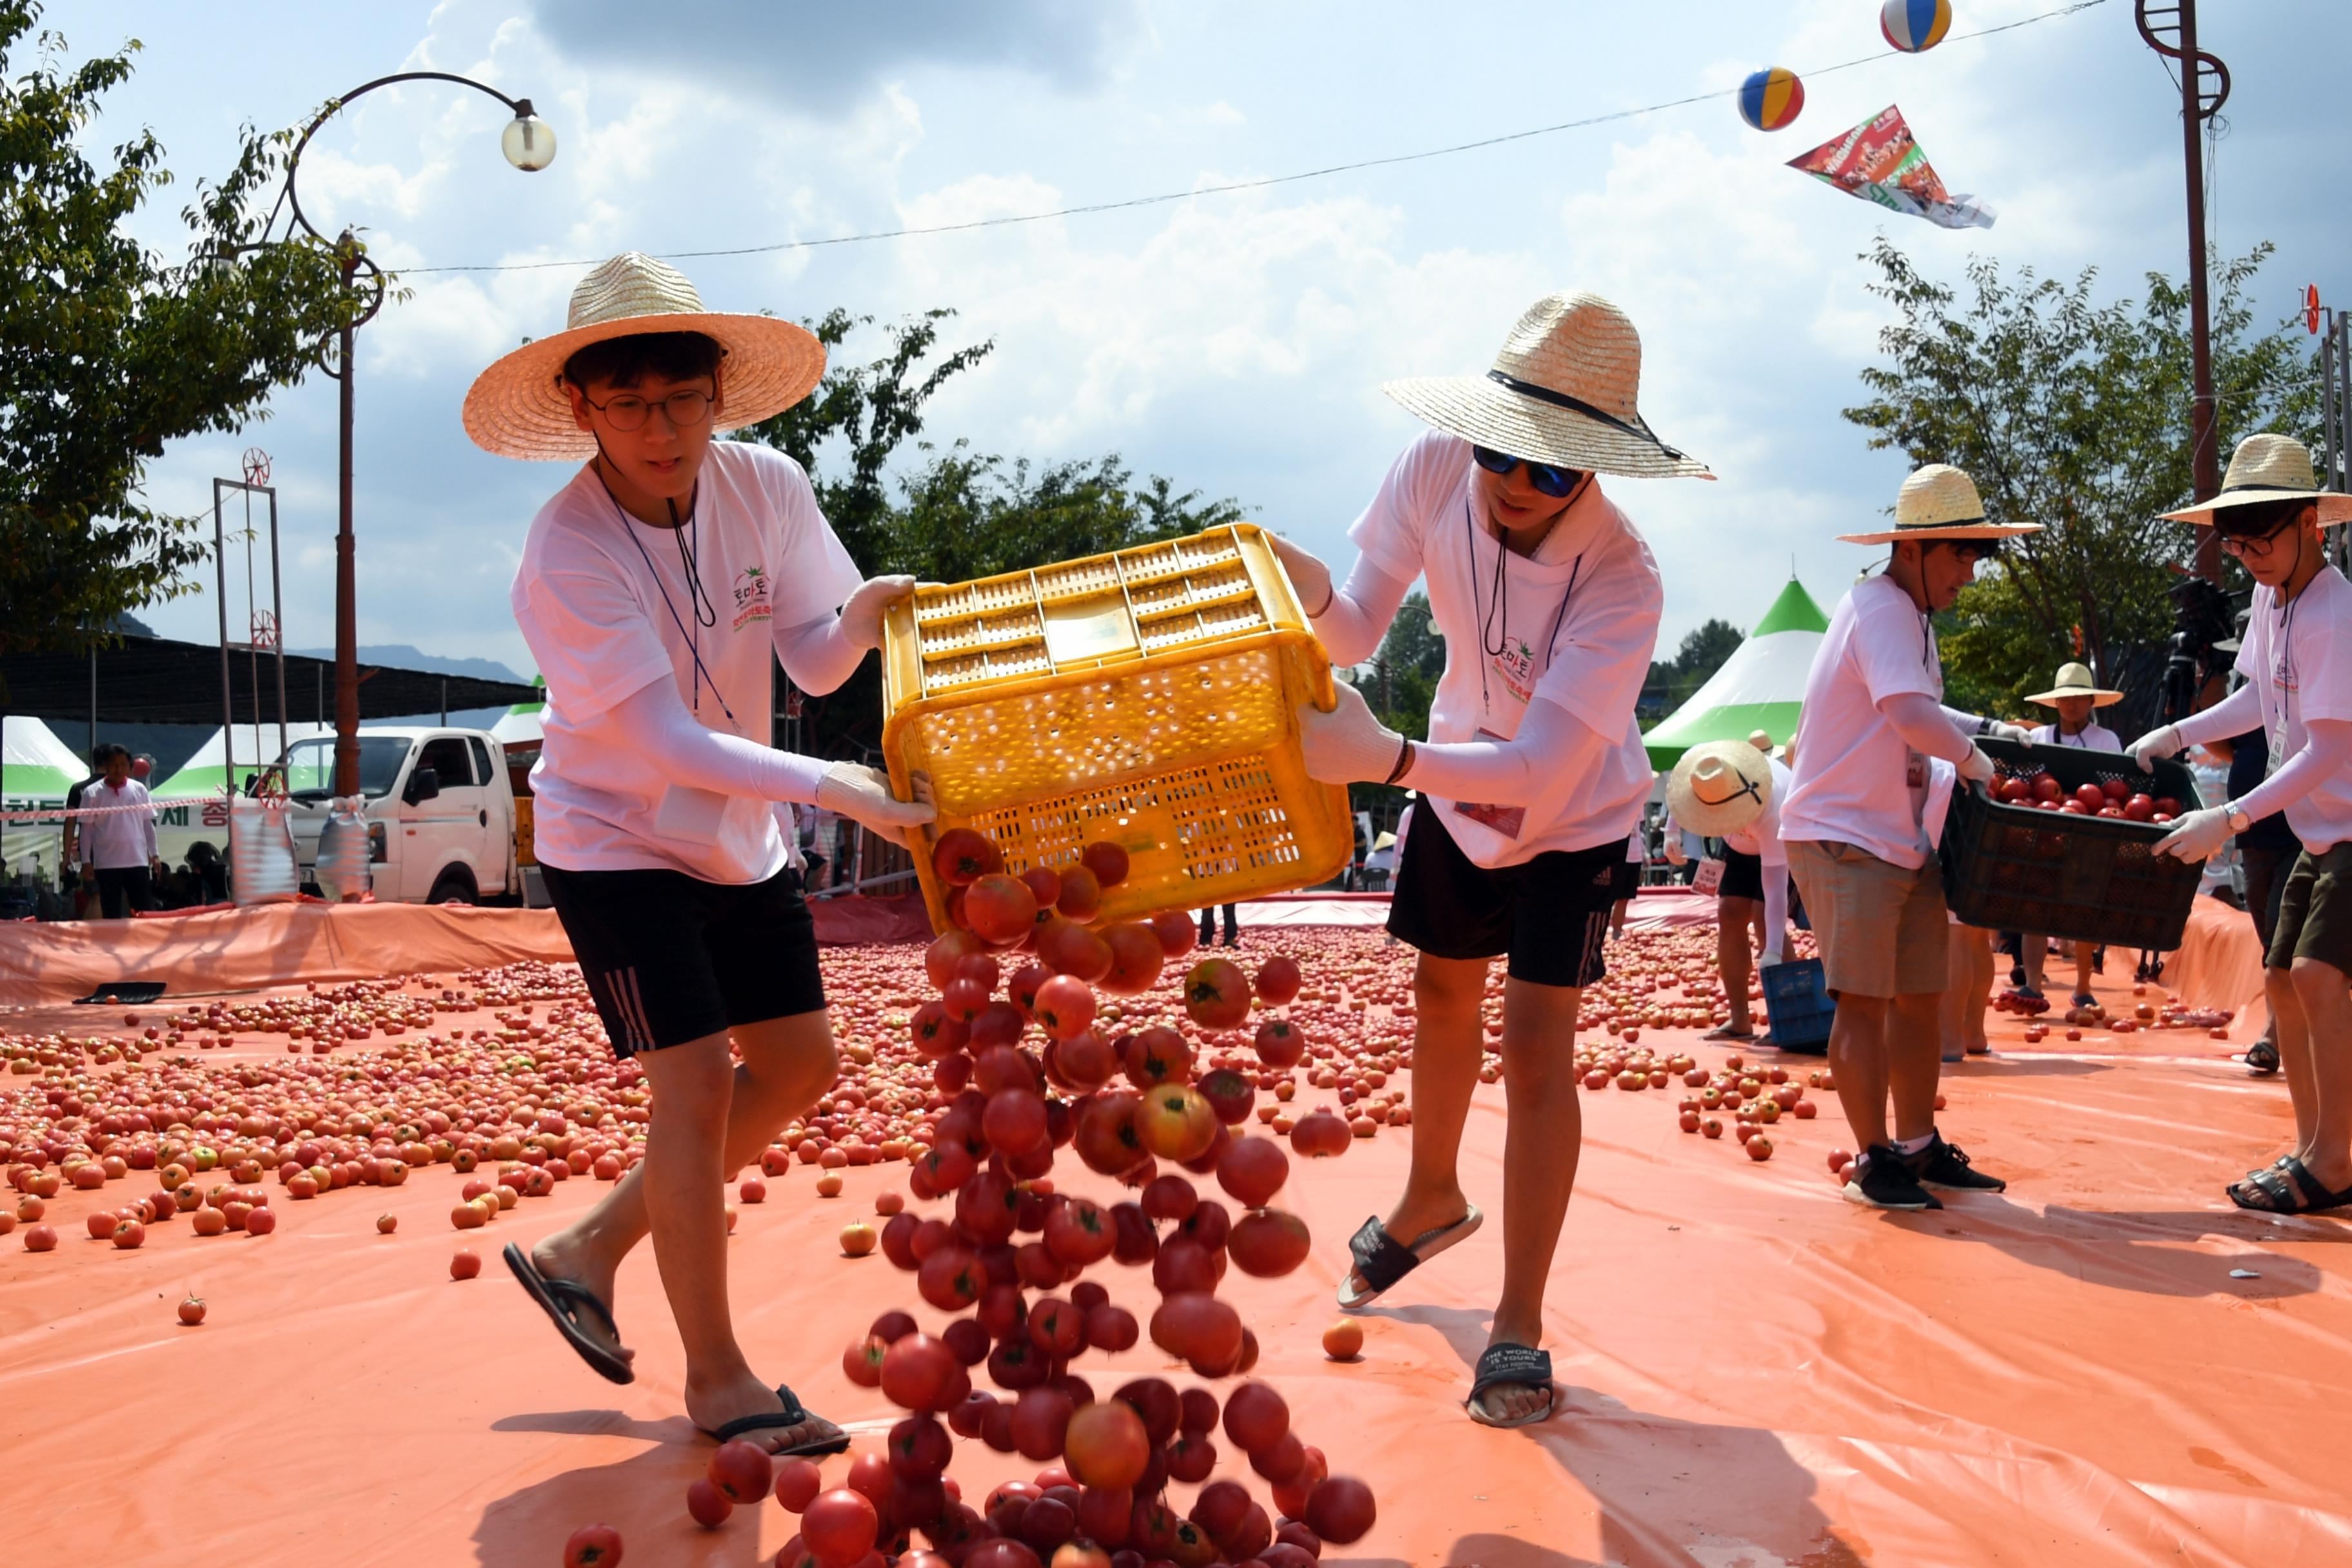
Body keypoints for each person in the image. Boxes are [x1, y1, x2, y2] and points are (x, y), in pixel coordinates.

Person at [467, 251, 935, 1451]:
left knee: (796, 1069)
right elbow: (663, 740)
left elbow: (810, 660)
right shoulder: (565, 553)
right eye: (624, 403)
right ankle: (717, 1380)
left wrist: (866, 615)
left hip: (739, 831)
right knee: (686, 1091)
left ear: (718, 394)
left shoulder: (766, 488)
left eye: (677, 399)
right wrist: (832, 786)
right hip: (614, 838)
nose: (655, 428)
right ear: (580, 410)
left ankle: (583, 1249)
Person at [1281, 291, 1712, 1425]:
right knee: (1437, 988)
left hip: (1568, 813)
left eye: (1550, 469)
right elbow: (1358, 628)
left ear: (1595, 471)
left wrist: (1385, 758)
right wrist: (1303, 585)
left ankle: (1518, 1320)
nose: (1513, 485)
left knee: (1533, 1044)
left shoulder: (1623, 579)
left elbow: (1545, 767)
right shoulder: (1430, 472)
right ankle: (1430, 1195)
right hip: (1450, 778)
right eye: (1498, 452)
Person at [1780, 464, 2039, 1211]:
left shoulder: (1910, 616)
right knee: (1862, 1001)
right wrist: (1980, 758)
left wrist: (1990, 731)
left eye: (1976, 556)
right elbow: (1908, 714)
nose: (1970, 571)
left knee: (1921, 995)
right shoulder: (1881, 607)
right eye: (1962, 554)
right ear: (1916, 549)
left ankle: (1918, 1144)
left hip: (1896, 837)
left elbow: (1926, 707)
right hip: (1842, 834)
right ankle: (1873, 1157)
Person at [2127, 433, 2352, 1213]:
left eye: (2266, 539)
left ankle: (2336, 1160)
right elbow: (2258, 697)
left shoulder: (2333, 612)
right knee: (2284, 979)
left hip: (2348, 830)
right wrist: (2178, 732)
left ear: (2312, 526)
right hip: (2317, 833)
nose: (2252, 556)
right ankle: (2312, 1144)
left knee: (2322, 978)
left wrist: (2228, 815)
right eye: (2239, 542)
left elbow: (2330, 747)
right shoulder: (2272, 598)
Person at [2015, 662, 2126, 1009]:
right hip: (2045, 835)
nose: (2072, 704)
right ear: (2055, 702)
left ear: (2092, 700)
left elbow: (2117, 787)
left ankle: (2083, 984)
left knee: (2085, 913)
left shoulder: (2107, 741)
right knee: (2033, 909)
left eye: (2079, 698)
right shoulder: (2038, 739)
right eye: (2066, 698)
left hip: (2090, 835)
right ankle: (2033, 984)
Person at [1663, 740, 1785, 1041]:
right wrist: (1671, 829)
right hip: (1737, 845)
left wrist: (1773, 951)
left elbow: (1776, 888)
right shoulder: (1712, 777)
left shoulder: (1772, 808)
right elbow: (1684, 791)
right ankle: (1740, 1019)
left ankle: (1785, 1018)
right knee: (1729, 913)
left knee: (1763, 920)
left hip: (1780, 844)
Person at [79, 744, 162, 917]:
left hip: (137, 860)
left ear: (129, 767)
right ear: (106, 766)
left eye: (123, 764)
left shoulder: (139, 790)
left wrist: (154, 854)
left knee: (144, 910)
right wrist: (86, 861)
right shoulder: (92, 793)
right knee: (111, 912)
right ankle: (112, 944)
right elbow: (86, 830)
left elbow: (148, 824)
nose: (118, 769)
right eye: (113, 764)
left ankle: (145, 943)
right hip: (107, 863)